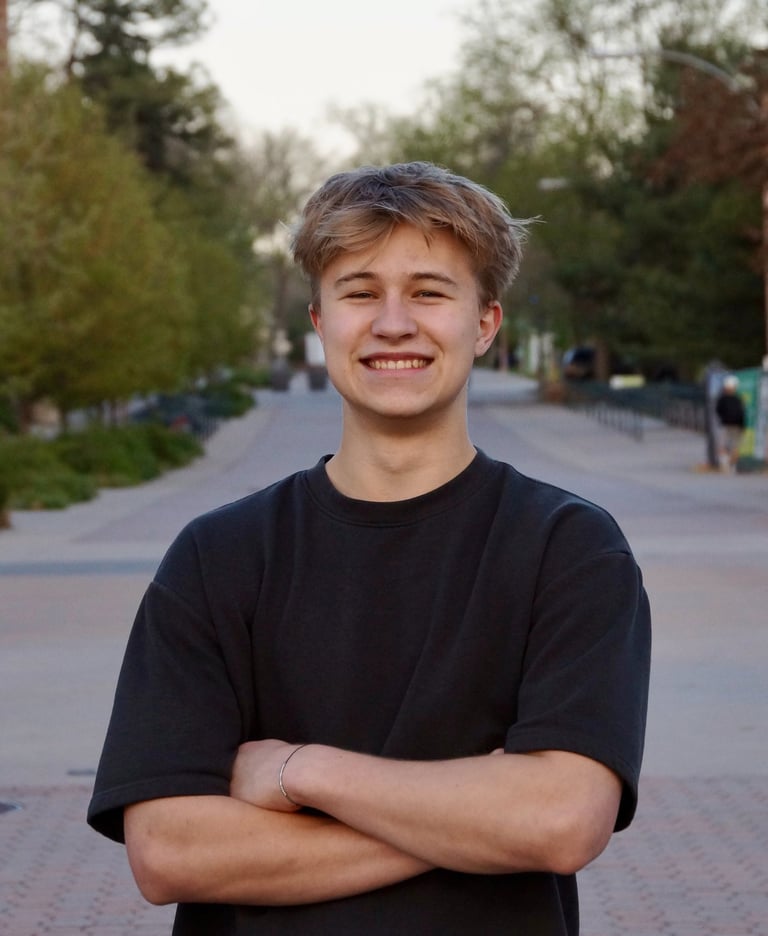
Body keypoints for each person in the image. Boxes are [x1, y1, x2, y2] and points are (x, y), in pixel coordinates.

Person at [88, 161, 651, 935]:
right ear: (320, 322)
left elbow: (560, 822)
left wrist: (300, 771)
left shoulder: (570, 550)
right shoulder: (218, 557)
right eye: (359, 292)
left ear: (485, 323)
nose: (393, 324)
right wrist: (481, 819)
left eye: (429, 292)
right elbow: (169, 852)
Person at [715, 374, 746, 472]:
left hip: (725, 425)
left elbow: (718, 411)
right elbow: (742, 413)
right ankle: (733, 466)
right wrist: (742, 426)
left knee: (722, 446)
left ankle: (725, 465)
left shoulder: (722, 399)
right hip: (737, 426)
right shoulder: (738, 399)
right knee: (735, 447)